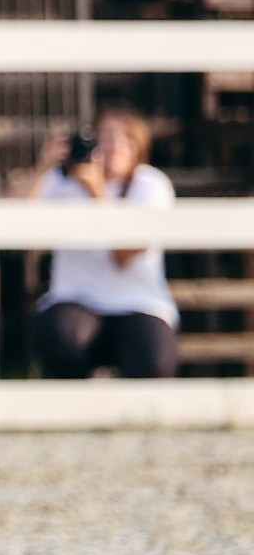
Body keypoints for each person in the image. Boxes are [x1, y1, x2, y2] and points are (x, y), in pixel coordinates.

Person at [21, 107, 179, 379]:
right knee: (61, 339)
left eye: (125, 138)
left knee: (154, 360)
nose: (115, 147)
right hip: (75, 299)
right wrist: (43, 166)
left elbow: (124, 256)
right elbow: (12, 220)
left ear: (138, 146)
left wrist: (96, 191)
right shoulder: (63, 182)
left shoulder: (150, 185)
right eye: (106, 137)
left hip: (138, 303)